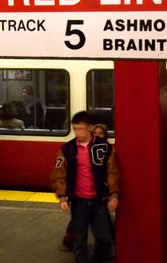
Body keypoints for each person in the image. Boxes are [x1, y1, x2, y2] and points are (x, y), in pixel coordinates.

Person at [51, 111, 119, 263]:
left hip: (99, 200)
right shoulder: (67, 149)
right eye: (75, 128)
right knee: (79, 240)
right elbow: (58, 174)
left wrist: (114, 195)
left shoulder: (104, 147)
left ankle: (94, 259)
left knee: (105, 238)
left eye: (80, 128)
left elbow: (112, 172)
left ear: (90, 128)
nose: (77, 132)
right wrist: (62, 197)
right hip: (78, 202)